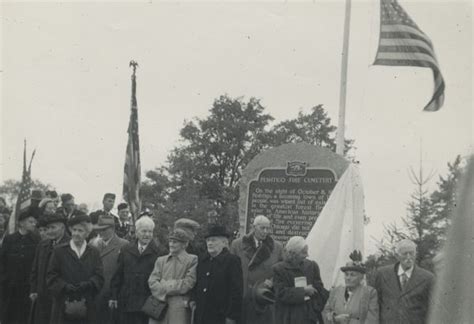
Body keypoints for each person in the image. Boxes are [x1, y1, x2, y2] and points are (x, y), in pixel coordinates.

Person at [47, 213, 104, 324]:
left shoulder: (94, 252)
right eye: (74, 230)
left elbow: (99, 277)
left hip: (87, 304)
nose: (76, 233)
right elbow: (51, 276)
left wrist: (88, 284)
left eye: (80, 231)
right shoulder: (59, 251)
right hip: (63, 304)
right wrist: (64, 286)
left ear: (87, 234)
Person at [109, 216, 168, 324]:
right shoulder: (126, 250)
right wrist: (113, 296)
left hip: (148, 303)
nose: (147, 234)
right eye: (144, 231)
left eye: (150, 231)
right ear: (137, 232)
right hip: (127, 302)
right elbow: (118, 275)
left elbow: (163, 279)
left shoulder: (160, 252)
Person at [230, 215, 283, 324]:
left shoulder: (277, 247)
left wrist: (272, 281)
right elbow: (231, 272)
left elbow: (281, 271)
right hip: (244, 298)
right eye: (262, 228)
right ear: (254, 227)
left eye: (268, 228)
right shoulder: (237, 245)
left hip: (264, 298)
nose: (265, 231)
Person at [192, 224, 243, 324]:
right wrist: (193, 300)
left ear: (224, 242)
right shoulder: (202, 261)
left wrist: (231, 316)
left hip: (221, 316)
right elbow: (196, 283)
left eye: (214, 240)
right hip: (202, 315)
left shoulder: (232, 261)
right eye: (208, 240)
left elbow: (236, 292)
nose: (210, 243)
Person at [374, 239, 434, 324]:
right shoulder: (382, 274)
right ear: (397, 256)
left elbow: (432, 309)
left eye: (411, 253)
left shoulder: (428, 278)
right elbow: (376, 304)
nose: (408, 257)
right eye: (405, 254)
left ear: (416, 254)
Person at [273, 236, 328, 324]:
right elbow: (280, 293)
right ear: (293, 253)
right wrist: (304, 291)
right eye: (304, 252)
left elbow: (320, 290)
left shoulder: (312, 266)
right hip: (288, 318)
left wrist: (314, 309)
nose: (307, 255)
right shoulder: (279, 269)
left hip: (309, 317)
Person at [148, 228, 198, 324]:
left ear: (185, 244)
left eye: (175, 242)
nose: (171, 244)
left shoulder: (192, 260)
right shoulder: (160, 260)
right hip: (158, 307)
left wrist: (164, 285)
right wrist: (171, 288)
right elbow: (152, 282)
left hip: (179, 310)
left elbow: (188, 283)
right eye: (170, 241)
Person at [0, 207, 41, 324]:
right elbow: (2, 261)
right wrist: (4, 279)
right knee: (8, 314)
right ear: (21, 223)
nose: (34, 224)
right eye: (30, 222)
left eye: (34, 222)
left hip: (26, 286)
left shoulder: (36, 240)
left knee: (24, 315)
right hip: (9, 285)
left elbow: (37, 263)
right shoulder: (9, 239)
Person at [30, 212, 70, 324]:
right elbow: (35, 270)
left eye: (53, 227)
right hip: (42, 298)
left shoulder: (71, 245)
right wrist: (33, 290)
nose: (50, 231)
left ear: (63, 227)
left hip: (60, 299)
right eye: (48, 228)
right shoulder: (43, 245)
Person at [89, 214, 128, 324]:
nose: (101, 232)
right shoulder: (93, 244)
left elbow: (124, 274)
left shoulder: (124, 245)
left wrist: (116, 295)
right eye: (99, 230)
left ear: (113, 229)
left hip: (112, 297)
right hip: (95, 295)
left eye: (104, 229)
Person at [323, 250, 379, 324]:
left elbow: (372, 320)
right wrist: (335, 319)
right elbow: (325, 312)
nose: (348, 278)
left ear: (361, 277)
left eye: (352, 275)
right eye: (346, 274)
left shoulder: (369, 292)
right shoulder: (336, 291)